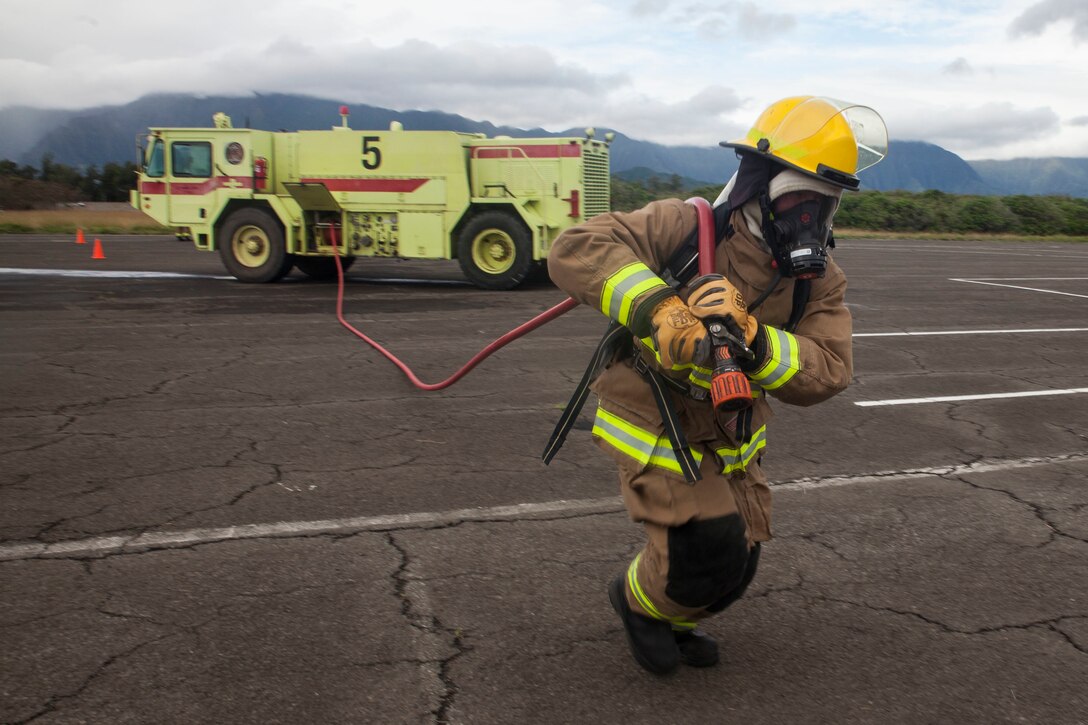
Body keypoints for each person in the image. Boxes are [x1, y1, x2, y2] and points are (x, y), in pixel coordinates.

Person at [545, 96, 889, 675]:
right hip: (654, 419)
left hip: (732, 430)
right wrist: (659, 309)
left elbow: (829, 368)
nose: (809, 218)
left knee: (741, 559)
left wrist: (754, 340)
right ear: (758, 185)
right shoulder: (686, 227)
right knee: (707, 544)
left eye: (823, 205)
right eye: (797, 198)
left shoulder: (817, 281)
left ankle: (675, 620)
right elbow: (574, 249)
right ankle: (636, 602)